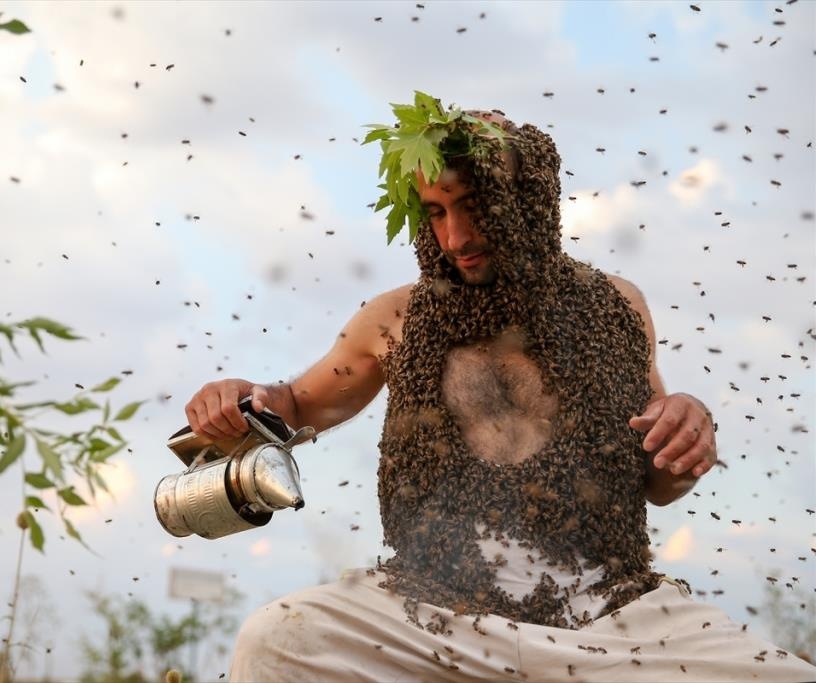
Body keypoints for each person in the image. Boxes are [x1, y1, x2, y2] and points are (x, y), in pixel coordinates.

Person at [185, 109, 816, 682]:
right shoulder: (394, 318)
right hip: (432, 610)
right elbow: (296, 405)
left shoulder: (616, 307)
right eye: (435, 212)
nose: (456, 237)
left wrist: (690, 425)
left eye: (474, 205)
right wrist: (241, 398)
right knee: (277, 640)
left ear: (529, 199)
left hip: (614, 615)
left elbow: (659, 477)